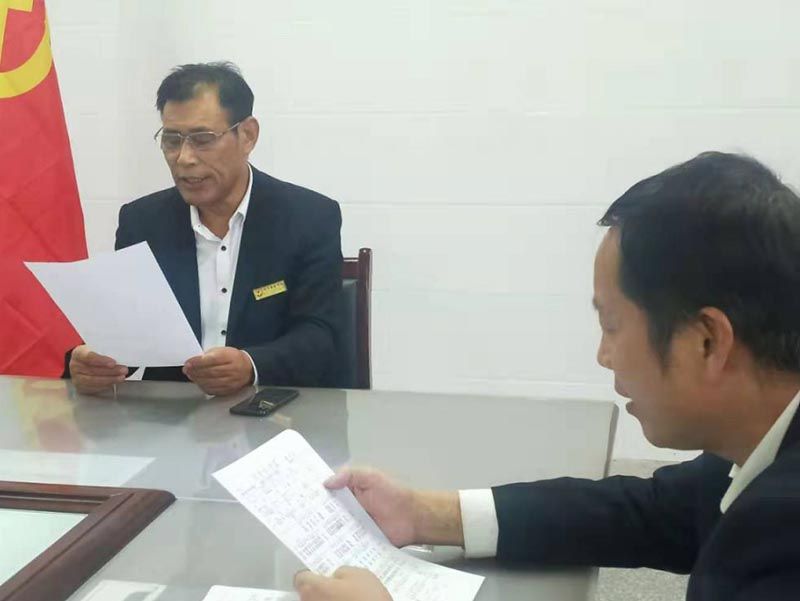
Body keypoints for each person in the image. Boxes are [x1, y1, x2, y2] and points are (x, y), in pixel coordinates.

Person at [292, 152, 800, 600]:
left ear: (707, 341)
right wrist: (425, 514)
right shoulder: (758, 447)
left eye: (611, 325)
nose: (604, 356)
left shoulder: (781, 536)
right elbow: (653, 511)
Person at [65, 62, 343, 396]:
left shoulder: (308, 218)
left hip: (273, 409)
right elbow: (122, 330)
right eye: (172, 140)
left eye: (202, 139)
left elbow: (321, 334)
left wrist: (251, 365)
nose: (184, 158)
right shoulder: (142, 222)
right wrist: (88, 362)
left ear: (248, 135)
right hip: (173, 415)